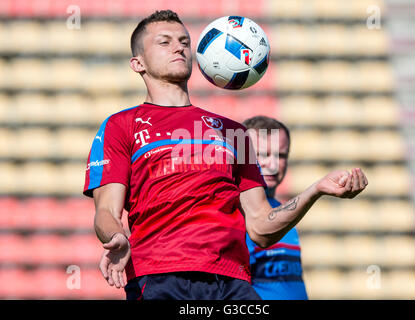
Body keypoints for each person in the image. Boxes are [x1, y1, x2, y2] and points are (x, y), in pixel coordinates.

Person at [83, 10, 368, 300]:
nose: (179, 47)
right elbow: (106, 211)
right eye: (164, 42)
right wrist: (116, 237)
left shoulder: (234, 132)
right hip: (161, 276)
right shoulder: (121, 125)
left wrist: (316, 189)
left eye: (184, 41)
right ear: (137, 63)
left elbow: (259, 225)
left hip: (232, 282)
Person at [243, 116, 308, 300]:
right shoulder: (238, 212)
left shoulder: (282, 210)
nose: (272, 165)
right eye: (262, 154)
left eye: (280, 155)